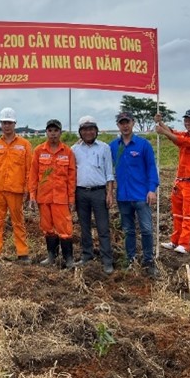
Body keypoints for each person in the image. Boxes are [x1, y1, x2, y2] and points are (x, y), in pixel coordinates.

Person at [109, 112, 160, 277]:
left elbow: (152, 168)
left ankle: (148, 260)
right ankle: (130, 259)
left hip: (141, 195)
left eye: (127, 122)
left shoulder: (143, 145)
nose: (125, 126)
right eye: (121, 123)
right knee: (128, 230)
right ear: (118, 125)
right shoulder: (113, 146)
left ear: (133, 123)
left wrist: (152, 189)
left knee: (146, 229)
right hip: (123, 196)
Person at [154, 109, 190, 253]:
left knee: (189, 214)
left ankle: (185, 244)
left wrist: (163, 131)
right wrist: (160, 122)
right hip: (180, 180)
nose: (188, 123)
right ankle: (175, 241)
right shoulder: (184, 134)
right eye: (186, 120)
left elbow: (180, 140)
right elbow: (173, 133)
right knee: (177, 213)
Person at [0, 107, 32, 264]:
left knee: (18, 222)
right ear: (0, 124)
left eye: (10, 123)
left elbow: (29, 169)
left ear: (15, 124)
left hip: (16, 191)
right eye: (4, 122)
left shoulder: (25, 145)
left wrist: (28, 190)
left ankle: (22, 253)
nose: (7, 126)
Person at [28, 119, 76, 268]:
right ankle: (51, 256)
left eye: (56, 131)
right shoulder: (38, 151)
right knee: (47, 228)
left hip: (61, 198)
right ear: (46, 132)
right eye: (50, 131)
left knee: (65, 230)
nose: (53, 134)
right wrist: (32, 196)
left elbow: (71, 177)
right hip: (44, 197)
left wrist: (71, 198)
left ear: (60, 132)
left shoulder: (67, 152)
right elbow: (33, 175)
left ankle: (68, 259)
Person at [71, 116, 115, 274]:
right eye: (84, 129)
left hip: (99, 192)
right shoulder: (74, 150)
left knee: (103, 228)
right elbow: (71, 173)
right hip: (81, 192)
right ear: (80, 132)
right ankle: (87, 255)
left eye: (91, 129)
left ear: (96, 131)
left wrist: (109, 193)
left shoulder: (104, 148)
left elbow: (109, 173)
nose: (88, 132)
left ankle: (107, 259)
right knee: (84, 227)